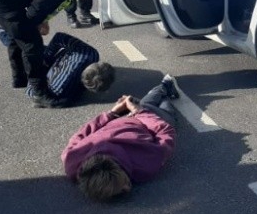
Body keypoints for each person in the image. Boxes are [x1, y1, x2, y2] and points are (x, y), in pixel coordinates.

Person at [0, 0, 104, 105]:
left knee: (18, 34)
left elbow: (43, 2)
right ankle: (39, 93)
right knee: (31, 43)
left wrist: (43, 21)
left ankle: (20, 78)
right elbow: (33, 15)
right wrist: (38, 26)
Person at [61, 74, 180, 202]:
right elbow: (83, 133)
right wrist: (129, 112)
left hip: (143, 121)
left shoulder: (144, 164)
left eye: (123, 183)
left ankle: (164, 85)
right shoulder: (71, 161)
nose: (127, 188)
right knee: (159, 104)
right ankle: (150, 97)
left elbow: (165, 131)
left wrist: (115, 113)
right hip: (133, 119)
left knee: (152, 106)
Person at [0, 26, 115, 108]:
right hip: (49, 63)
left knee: (25, 48)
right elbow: (31, 92)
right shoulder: (61, 88)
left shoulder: (90, 53)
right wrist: (44, 59)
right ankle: (2, 33)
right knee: (28, 51)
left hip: (51, 66)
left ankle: (1, 33)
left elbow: (59, 38)